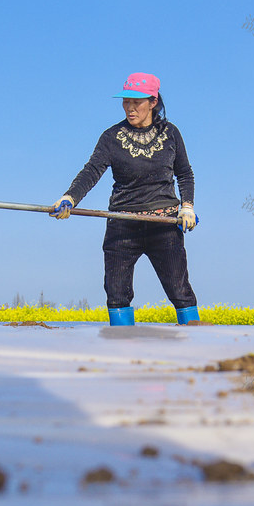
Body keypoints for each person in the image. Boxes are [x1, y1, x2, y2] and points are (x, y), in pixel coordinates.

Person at [52, 72, 199, 326]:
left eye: (137, 102)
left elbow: (185, 173)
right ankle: (121, 354)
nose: (130, 108)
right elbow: (92, 170)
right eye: (126, 102)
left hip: (163, 224)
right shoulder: (111, 137)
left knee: (180, 290)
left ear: (153, 102)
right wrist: (69, 198)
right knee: (117, 293)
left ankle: (195, 347)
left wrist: (187, 207)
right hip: (122, 223)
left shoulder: (171, 133)